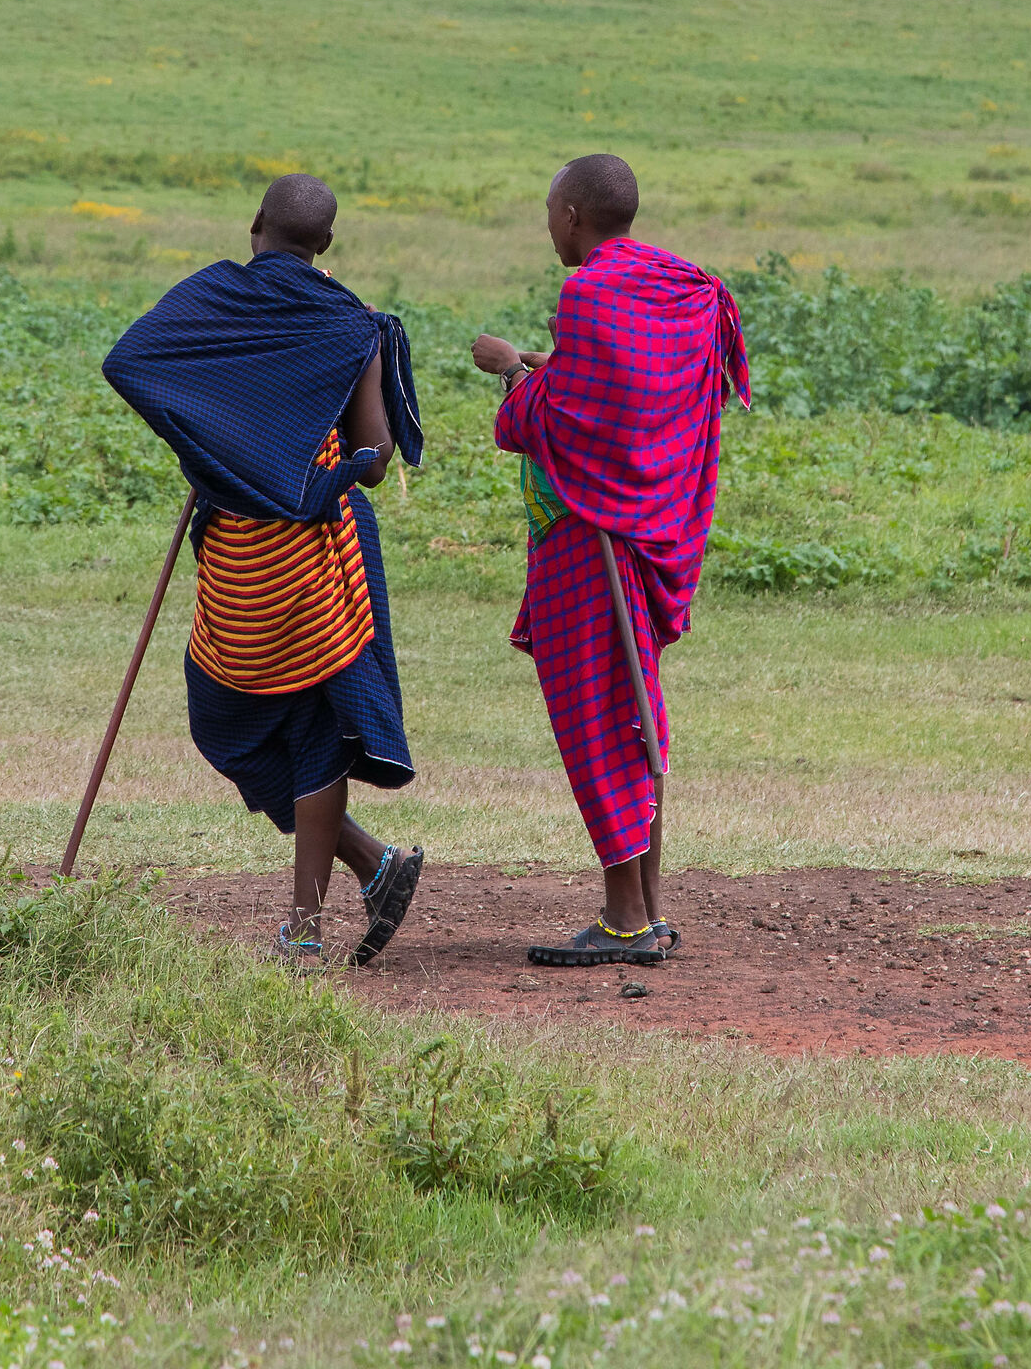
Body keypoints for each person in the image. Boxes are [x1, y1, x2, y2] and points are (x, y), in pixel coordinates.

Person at [102, 173, 425, 968]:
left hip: (243, 556)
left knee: (227, 721)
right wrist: (316, 465)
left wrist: (206, 441)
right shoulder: (348, 325)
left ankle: (308, 929)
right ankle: (371, 869)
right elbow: (376, 459)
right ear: (327, 248)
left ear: (254, 227)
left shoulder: (217, 298)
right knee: (309, 731)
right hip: (317, 553)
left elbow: (129, 360)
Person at [472, 154, 749, 967]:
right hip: (654, 527)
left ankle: (626, 920)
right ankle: (647, 907)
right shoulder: (684, 288)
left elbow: (564, 424)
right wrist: (540, 366)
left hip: (591, 539)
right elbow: (624, 399)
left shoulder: (588, 293)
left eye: (549, 211)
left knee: (601, 718)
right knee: (636, 711)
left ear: (570, 217)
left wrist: (512, 373)